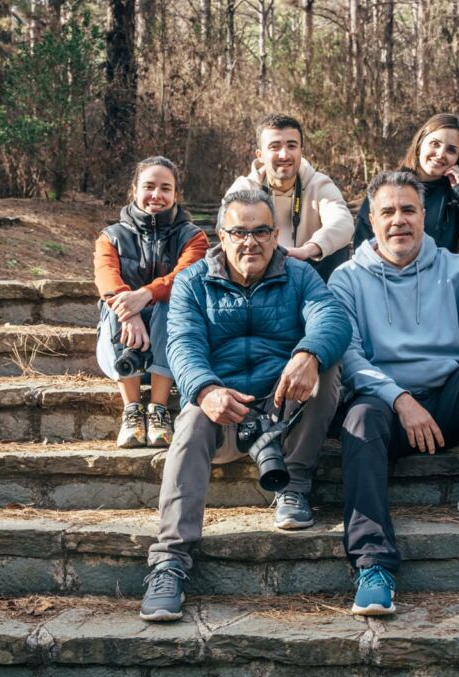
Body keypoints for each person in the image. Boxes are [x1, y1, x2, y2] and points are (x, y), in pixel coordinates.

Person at [329, 171, 459, 616]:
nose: (398, 221)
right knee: (359, 418)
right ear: (372, 218)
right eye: (387, 211)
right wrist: (400, 400)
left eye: (408, 210)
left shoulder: (455, 268)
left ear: (424, 215)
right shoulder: (346, 279)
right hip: (385, 411)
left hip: (448, 404)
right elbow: (347, 357)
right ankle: (373, 565)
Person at [140, 189, 351, 622]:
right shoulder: (193, 280)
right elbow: (181, 344)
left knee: (326, 367)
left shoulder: (300, 275)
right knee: (193, 418)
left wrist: (309, 354)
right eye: (239, 232)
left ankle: (294, 486)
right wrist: (204, 389)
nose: (249, 242)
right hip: (225, 413)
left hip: (282, 410)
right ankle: (169, 563)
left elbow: (332, 317)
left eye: (260, 232)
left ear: (275, 235)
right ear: (221, 234)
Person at [94, 157, 209, 448]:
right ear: (134, 189)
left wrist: (144, 295)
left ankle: (158, 410)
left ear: (175, 195)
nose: (156, 195)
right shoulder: (111, 236)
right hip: (121, 345)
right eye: (148, 186)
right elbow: (106, 278)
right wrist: (129, 311)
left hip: (170, 348)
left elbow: (186, 276)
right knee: (112, 308)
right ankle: (132, 410)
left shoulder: (193, 237)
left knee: (174, 303)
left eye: (165, 188)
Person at [352, 113, 459, 291]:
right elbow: (362, 246)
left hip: (441, 284)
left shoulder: (454, 194)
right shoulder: (387, 188)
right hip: (393, 282)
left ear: (458, 158)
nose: (441, 154)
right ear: (420, 144)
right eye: (435, 144)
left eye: (451, 150)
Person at [226, 113, 354, 282]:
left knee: (338, 246)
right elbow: (227, 234)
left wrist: (308, 249)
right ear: (260, 155)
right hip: (260, 272)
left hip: (309, 271)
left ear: (301, 151)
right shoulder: (245, 188)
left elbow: (343, 222)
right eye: (274, 147)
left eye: (292, 146)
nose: (284, 155)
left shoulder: (319, 184)